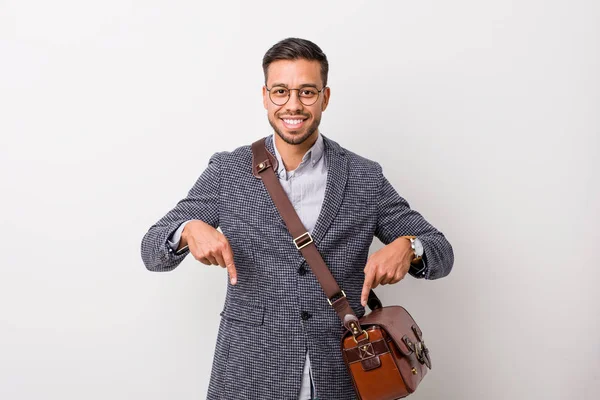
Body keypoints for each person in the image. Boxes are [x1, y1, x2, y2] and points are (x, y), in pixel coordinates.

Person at [140, 37, 454, 400]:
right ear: (264, 96)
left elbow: (441, 252)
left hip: (344, 379)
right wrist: (188, 230)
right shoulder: (227, 171)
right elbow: (152, 249)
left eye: (307, 92)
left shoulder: (365, 177)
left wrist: (409, 246)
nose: (293, 105)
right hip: (247, 376)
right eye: (280, 91)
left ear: (325, 97)